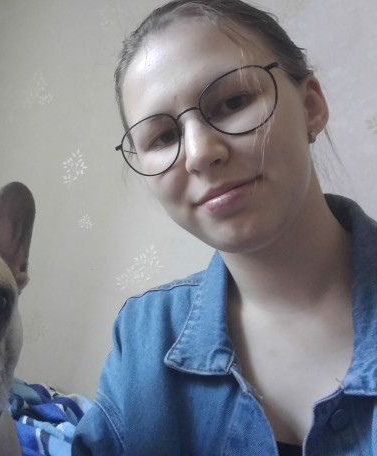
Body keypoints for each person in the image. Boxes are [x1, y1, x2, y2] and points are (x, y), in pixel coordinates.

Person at [72, 0, 377, 454]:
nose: (199, 153)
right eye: (164, 137)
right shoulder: (145, 334)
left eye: (234, 102)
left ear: (310, 105)